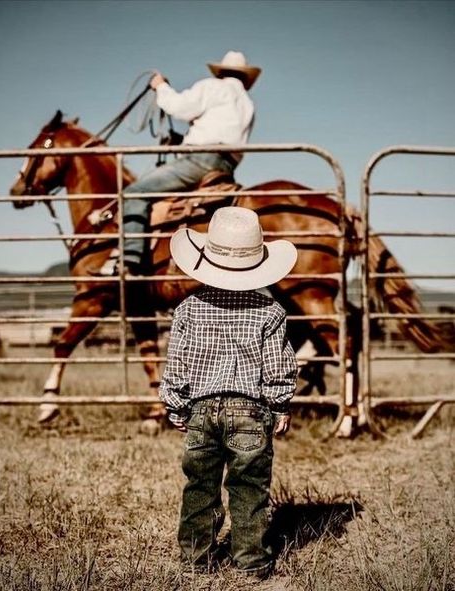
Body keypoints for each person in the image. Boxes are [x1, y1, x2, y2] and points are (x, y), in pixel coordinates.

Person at [159, 206, 298, 578]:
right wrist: (281, 403)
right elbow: (277, 364)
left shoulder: (188, 309)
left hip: (201, 410)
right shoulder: (271, 311)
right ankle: (251, 562)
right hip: (251, 412)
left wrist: (176, 406)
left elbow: (178, 363)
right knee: (249, 487)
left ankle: (195, 559)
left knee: (200, 486)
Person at [96, 50, 261, 276]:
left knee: (134, 193)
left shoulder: (213, 87)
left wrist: (160, 86)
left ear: (221, 72)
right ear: (245, 78)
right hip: (226, 167)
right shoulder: (247, 103)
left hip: (200, 161)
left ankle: (129, 259)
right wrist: (183, 141)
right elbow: (219, 132)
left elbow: (180, 108)